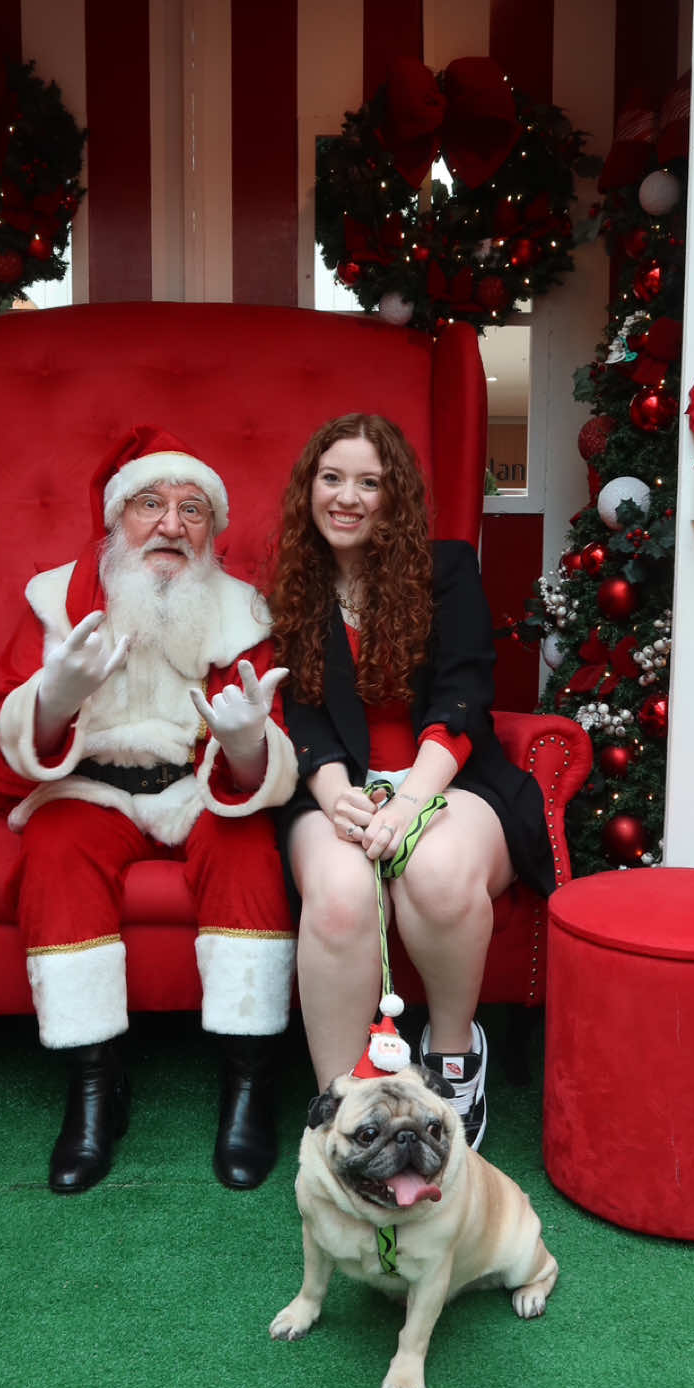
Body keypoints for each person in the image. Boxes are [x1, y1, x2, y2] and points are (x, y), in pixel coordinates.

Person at [0, 426, 298, 1196]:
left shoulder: (242, 611)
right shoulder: (58, 601)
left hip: (196, 784)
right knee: (54, 848)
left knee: (250, 853)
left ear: (211, 530)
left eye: (191, 509)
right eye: (151, 503)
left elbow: (259, 750)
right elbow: (8, 735)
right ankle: (93, 1087)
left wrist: (247, 744)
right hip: (92, 782)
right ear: (119, 518)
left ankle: (249, 1084)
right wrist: (58, 696)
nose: (171, 525)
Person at [268, 413, 554, 1149]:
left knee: (435, 870)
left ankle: (453, 1057)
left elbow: (464, 693)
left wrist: (410, 801)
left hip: (446, 776)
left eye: (370, 482)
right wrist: (336, 798)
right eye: (332, 478)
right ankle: (342, 1105)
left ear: (395, 497)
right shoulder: (296, 581)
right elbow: (302, 716)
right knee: (337, 891)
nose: (348, 497)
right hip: (336, 781)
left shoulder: (447, 568)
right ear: (310, 488)